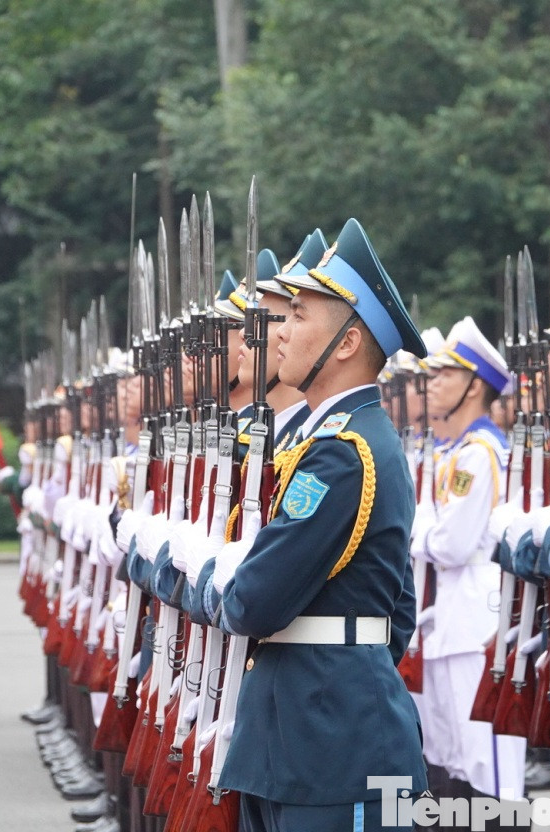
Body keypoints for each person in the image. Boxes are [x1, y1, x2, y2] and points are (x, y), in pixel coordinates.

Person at [200, 217, 429, 832]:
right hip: (307, 733)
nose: (278, 334)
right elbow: (396, 609)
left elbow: (253, 603)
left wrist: (222, 573)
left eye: (298, 315)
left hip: (331, 745)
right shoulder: (340, 443)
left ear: (348, 344)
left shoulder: (343, 453)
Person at [410, 316, 527, 811]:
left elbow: (452, 545)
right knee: (450, 762)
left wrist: (413, 532)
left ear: (475, 386)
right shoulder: (453, 451)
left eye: (445, 375)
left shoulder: (479, 454)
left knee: (487, 770)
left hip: (475, 617)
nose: (430, 384)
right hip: (448, 618)